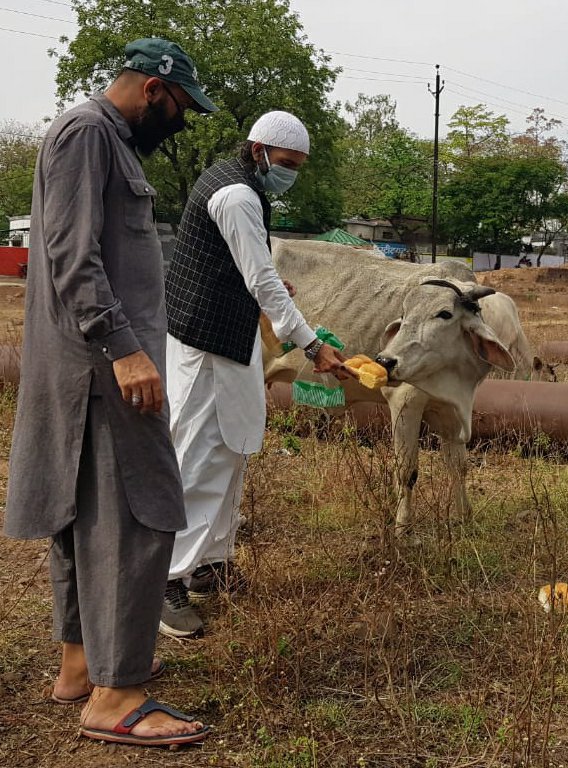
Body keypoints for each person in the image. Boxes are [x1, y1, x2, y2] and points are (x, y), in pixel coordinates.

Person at [3, 38, 217, 746]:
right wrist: (125, 351)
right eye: (181, 107)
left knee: (83, 516)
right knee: (141, 516)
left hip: (90, 371)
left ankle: (79, 667)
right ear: (155, 88)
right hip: (103, 372)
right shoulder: (89, 132)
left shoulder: (100, 138)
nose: (181, 123)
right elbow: (70, 253)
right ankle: (117, 694)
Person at [160, 110, 346, 637]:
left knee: (234, 447)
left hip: (228, 335)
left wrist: (266, 290)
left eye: (298, 166)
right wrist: (312, 347)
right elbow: (261, 277)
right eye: (286, 163)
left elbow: (246, 270)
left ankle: (209, 566)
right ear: (258, 149)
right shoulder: (238, 196)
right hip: (206, 343)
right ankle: (166, 579)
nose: (290, 174)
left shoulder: (233, 180)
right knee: (198, 455)